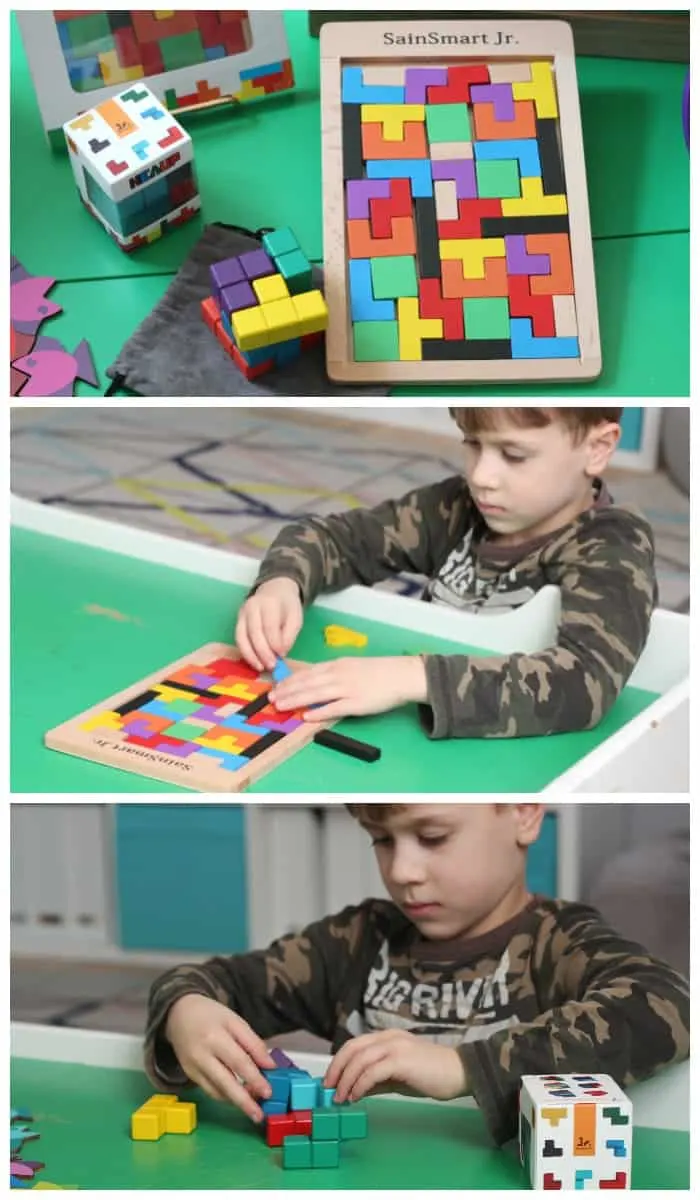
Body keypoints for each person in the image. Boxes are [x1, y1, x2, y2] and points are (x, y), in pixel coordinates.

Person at [143, 804, 690, 1146]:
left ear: (524, 813)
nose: (402, 872)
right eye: (383, 840)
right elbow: (213, 982)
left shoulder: (558, 943)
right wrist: (184, 1010)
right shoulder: (353, 942)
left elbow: (669, 1006)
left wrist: (460, 1067)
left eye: (432, 837)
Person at [234, 407, 657, 738]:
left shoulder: (612, 546)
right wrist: (282, 582)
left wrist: (411, 677)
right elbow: (335, 538)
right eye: (473, 444)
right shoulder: (457, 506)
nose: (481, 476)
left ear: (597, 448)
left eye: (513, 455)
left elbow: (583, 684)